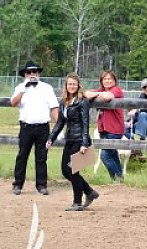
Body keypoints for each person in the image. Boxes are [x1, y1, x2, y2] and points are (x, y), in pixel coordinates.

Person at [46, 73, 99, 211]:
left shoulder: (82, 101)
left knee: (72, 170)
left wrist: (84, 143)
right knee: (65, 170)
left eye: (74, 84)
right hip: (69, 139)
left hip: (79, 140)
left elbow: (85, 123)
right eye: (69, 84)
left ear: (78, 85)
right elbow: (59, 123)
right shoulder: (63, 102)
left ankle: (77, 202)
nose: (71, 86)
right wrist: (50, 138)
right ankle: (89, 192)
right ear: (66, 85)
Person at [10, 61, 59, 195]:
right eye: (29, 72)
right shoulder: (20, 87)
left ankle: (42, 185)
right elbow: (13, 102)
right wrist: (23, 88)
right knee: (22, 156)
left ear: (38, 73)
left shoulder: (47, 88)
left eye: (35, 72)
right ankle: (18, 184)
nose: (32, 75)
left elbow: (54, 107)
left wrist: (58, 126)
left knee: (41, 157)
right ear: (25, 74)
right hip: (26, 127)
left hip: (43, 127)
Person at [84, 70, 125, 182]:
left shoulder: (117, 90)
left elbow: (107, 97)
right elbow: (86, 94)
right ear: (101, 81)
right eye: (105, 79)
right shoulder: (101, 90)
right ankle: (119, 180)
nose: (107, 81)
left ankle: (117, 179)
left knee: (105, 156)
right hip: (104, 129)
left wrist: (98, 94)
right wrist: (98, 93)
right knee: (113, 154)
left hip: (114, 129)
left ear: (114, 80)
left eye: (109, 79)